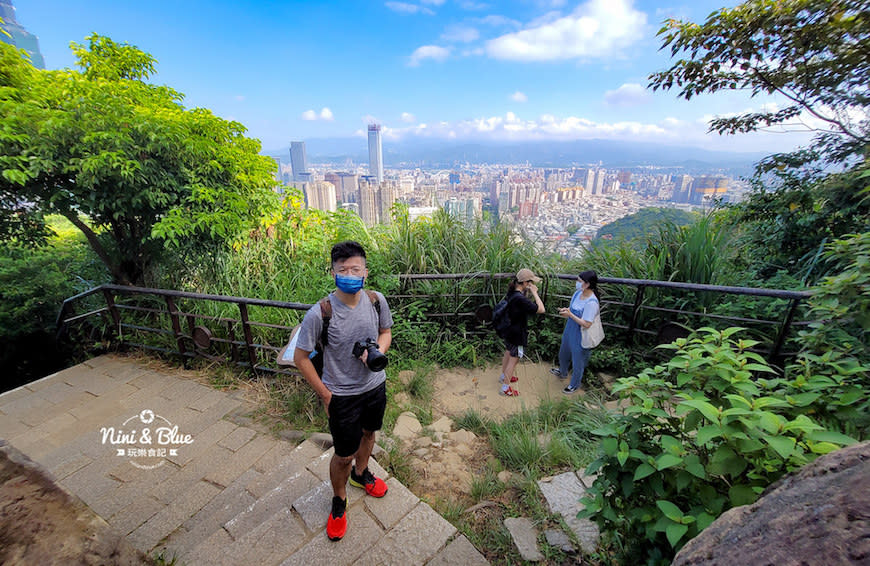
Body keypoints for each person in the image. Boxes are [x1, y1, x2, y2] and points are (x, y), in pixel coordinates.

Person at [294, 241, 393, 542]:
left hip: (375, 386)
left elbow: (386, 332)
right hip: (342, 396)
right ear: (333, 273)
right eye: (343, 269)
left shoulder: (376, 301)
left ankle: (361, 474)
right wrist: (326, 395)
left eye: (355, 269)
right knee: (342, 454)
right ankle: (339, 500)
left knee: (370, 434)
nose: (350, 273)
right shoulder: (320, 313)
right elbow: (301, 358)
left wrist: (376, 352)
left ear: (365, 272)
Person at [497, 268, 545, 396]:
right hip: (517, 333)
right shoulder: (520, 299)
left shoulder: (512, 293)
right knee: (514, 358)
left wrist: (528, 291)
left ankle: (504, 376)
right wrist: (535, 293)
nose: (532, 285)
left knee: (508, 351)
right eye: (531, 282)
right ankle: (505, 388)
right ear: (525, 283)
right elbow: (541, 309)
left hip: (509, 329)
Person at [552, 270, 600, 394]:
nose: (577, 283)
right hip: (570, 329)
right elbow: (572, 309)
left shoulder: (592, 303)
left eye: (579, 281)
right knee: (563, 353)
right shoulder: (577, 293)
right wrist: (567, 311)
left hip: (581, 333)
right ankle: (562, 372)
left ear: (587, 284)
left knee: (578, 360)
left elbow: (587, 324)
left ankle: (574, 384)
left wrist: (570, 315)